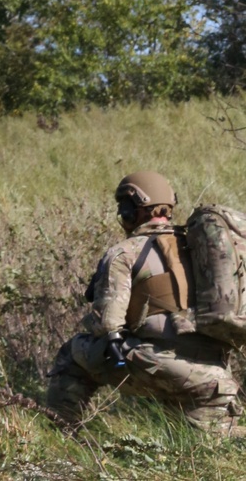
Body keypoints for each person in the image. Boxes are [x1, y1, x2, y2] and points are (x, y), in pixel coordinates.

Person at [46, 171, 240, 433]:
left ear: (130, 210)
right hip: (217, 381)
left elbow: (107, 324)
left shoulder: (125, 253)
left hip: (164, 369)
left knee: (73, 354)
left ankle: (61, 436)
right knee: (210, 460)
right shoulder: (202, 250)